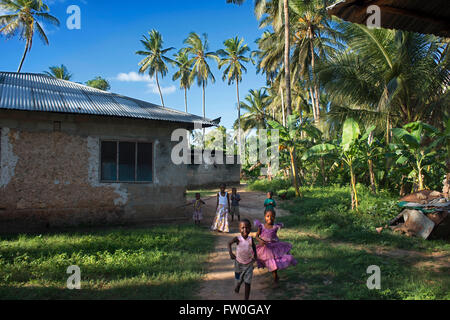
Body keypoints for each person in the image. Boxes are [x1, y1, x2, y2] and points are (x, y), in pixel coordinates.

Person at [255, 209, 297, 285]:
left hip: (274, 248)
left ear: (274, 217)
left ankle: (275, 279)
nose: (270, 218)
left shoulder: (275, 227)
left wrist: (276, 241)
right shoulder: (261, 226)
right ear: (265, 217)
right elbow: (256, 236)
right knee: (269, 263)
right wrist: (260, 240)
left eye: (272, 216)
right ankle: (276, 277)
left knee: (273, 263)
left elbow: (274, 236)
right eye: (268, 216)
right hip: (265, 248)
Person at [228, 219, 257, 300]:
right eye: (242, 228)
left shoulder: (251, 239)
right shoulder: (237, 239)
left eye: (247, 227)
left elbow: (254, 247)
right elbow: (229, 243)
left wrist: (255, 256)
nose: (245, 230)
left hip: (249, 263)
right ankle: (238, 286)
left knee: (248, 282)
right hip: (238, 263)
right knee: (239, 279)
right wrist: (231, 253)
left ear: (250, 228)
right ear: (239, 229)